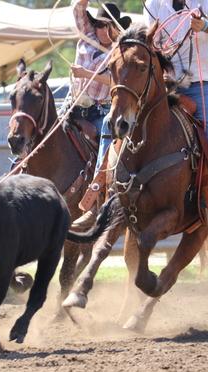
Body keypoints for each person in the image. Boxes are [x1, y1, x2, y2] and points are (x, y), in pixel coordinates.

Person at [144, 0, 208, 238]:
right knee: (122, 124)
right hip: (166, 82)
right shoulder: (153, 3)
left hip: (203, 81)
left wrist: (205, 25)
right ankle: (111, 191)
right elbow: (152, 39)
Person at [70, 0, 131, 227]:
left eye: (108, 26)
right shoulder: (87, 35)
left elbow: (117, 80)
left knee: (106, 136)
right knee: (42, 127)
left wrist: (87, 74)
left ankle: (96, 196)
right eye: (100, 25)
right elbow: (78, 9)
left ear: (115, 28)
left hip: (101, 108)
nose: (103, 31)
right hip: (74, 105)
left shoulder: (121, 50)